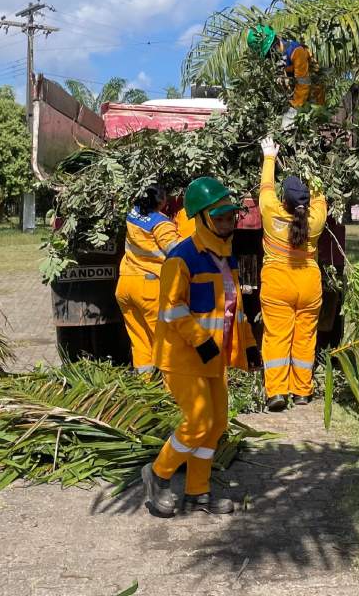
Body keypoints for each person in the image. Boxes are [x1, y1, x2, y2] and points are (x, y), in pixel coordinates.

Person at [141, 176, 263, 518]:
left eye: (230, 217)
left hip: (214, 357)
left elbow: (234, 311)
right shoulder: (181, 259)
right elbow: (172, 309)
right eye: (219, 217)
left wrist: (250, 346)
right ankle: (158, 474)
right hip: (182, 357)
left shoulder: (228, 259)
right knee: (197, 421)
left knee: (217, 423)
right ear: (203, 218)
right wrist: (200, 341)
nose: (226, 224)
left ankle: (198, 493)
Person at [256, 137, 327, 412]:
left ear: (283, 200)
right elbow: (321, 196)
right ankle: (302, 391)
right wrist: (312, 164)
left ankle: (276, 392)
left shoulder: (271, 211)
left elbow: (265, 187)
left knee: (276, 337)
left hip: (277, 282)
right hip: (309, 283)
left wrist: (269, 156)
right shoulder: (316, 220)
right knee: (305, 336)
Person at [115, 185, 181, 375]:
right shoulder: (161, 223)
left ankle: (144, 387)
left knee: (139, 340)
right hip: (148, 288)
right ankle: (171, 390)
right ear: (161, 201)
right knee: (164, 340)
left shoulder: (132, 214)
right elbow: (176, 252)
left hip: (125, 284)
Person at [246, 24, 324, 127]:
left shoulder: (296, 51)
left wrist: (293, 109)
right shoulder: (277, 61)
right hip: (296, 97)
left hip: (314, 99)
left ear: (276, 42)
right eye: (267, 56)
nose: (270, 57)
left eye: (270, 52)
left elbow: (303, 83)